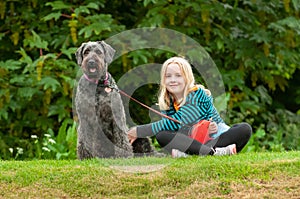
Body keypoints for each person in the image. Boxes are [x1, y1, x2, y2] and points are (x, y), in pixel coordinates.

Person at [127, 56, 252, 157]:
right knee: (162, 135)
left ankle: (201, 152)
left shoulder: (197, 94)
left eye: (178, 75)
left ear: (187, 78)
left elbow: (180, 121)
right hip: (192, 141)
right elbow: (173, 129)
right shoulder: (168, 102)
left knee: (244, 129)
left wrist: (138, 131)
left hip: (214, 137)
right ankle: (212, 153)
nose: (172, 80)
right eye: (168, 76)